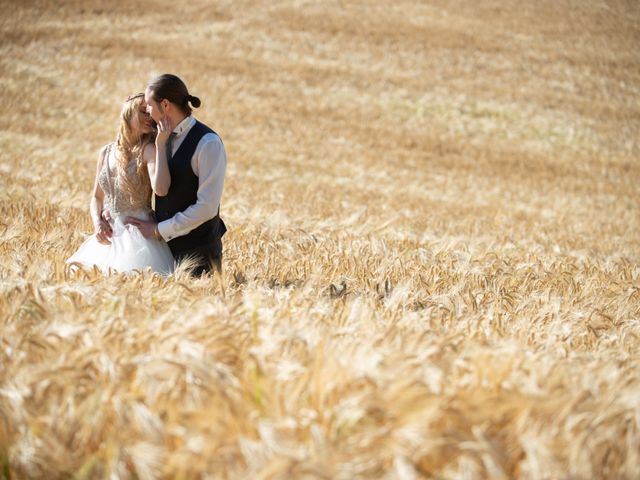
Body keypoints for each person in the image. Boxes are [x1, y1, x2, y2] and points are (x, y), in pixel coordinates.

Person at [125, 74, 227, 277]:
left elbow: (206, 207)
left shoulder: (208, 143)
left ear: (165, 105)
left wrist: (159, 230)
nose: (146, 110)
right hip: (157, 252)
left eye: (149, 105)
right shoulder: (155, 138)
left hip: (197, 251)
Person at [66, 93, 175, 275]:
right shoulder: (106, 152)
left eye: (151, 114)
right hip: (109, 236)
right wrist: (97, 223)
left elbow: (161, 189)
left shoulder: (149, 150)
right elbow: (96, 197)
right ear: (128, 112)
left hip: (139, 239)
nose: (150, 118)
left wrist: (161, 144)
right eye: (143, 112)